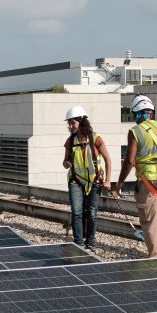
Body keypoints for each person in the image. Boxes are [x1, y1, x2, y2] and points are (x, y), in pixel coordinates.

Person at [114, 95, 157, 259]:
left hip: (149, 182)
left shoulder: (135, 132)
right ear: (151, 112)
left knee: (150, 221)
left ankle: (156, 257)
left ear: (136, 114)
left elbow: (129, 161)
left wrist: (120, 182)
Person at [63, 106, 112, 250]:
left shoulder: (96, 139)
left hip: (94, 182)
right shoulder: (70, 141)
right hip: (75, 181)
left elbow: (108, 160)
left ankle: (90, 242)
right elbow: (65, 161)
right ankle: (78, 243)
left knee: (91, 213)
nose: (70, 126)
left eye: (72, 123)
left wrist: (108, 180)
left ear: (81, 121)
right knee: (77, 212)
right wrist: (66, 163)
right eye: (69, 123)